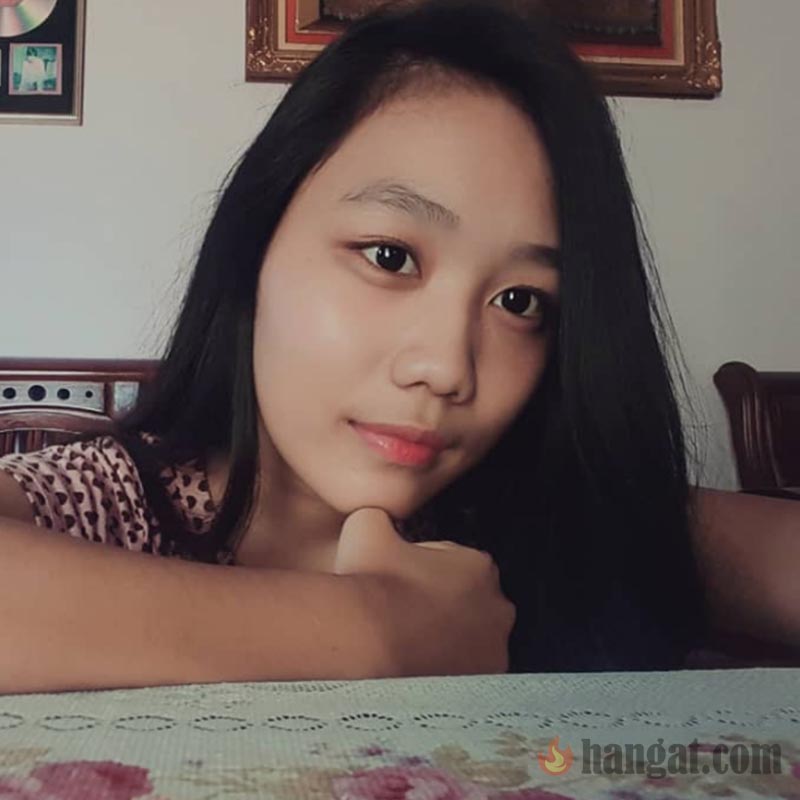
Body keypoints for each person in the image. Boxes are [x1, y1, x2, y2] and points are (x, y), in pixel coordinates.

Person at [0, 0, 798, 694]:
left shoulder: (556, 513)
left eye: (520, 302)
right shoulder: (105, 505)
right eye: (389, 257)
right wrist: (375, 631)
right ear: (255, 246)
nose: (447, 368)